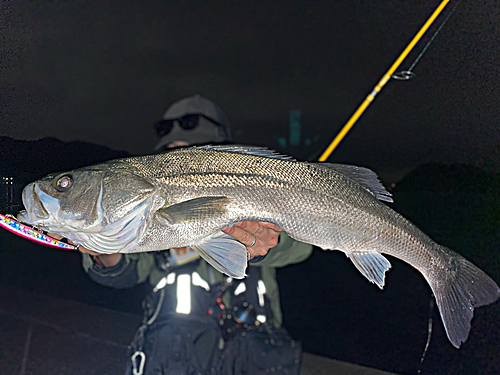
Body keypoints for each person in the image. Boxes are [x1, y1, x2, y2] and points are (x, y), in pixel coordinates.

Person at [80, 94, 313, 375]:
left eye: (193, 157)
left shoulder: (259, 189)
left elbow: (300, 246)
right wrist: (106, 251)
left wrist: (268, 241)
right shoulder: (148, 207)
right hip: (171, 356)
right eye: (172, 158)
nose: (183, 172)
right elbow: (131, 271)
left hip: (253, 355)